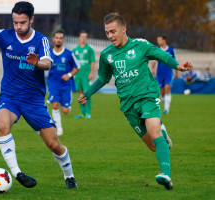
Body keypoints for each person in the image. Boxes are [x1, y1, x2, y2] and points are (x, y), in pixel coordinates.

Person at [0, 1, 77, 189]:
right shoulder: (4, 36)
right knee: (1, 124)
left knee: (53, 144)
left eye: (22, 22)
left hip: (34, 101)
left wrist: (36, 63)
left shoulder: (41, 41)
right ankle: (17, 173)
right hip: (10, 96)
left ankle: (69, 176)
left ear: (31, 20)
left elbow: (48, 64)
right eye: (15, 22)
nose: (18, 27)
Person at [78, 13, 192, 190]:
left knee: (154, 133)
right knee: (153, 145)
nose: (110, 36)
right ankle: (162, 133)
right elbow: (102, 78)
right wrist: (88, 93)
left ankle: (166, 175)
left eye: (113, 31)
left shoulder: (140, 45)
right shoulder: (107, 54)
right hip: (128, 105)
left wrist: (177, 66)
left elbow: (161, 55)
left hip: (147, 95)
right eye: (107, 33)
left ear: (124, 29)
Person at [47, 29, 80, 136]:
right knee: (55, 105)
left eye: (60, 38)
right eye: (56, 38)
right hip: (53, 83)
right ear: (53, 39)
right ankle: (59, 128)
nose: (58, 40)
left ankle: (66, 104)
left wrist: (69, 75)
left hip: (66, 85)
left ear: (63, 40)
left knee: (65, 111)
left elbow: (77, 67)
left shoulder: (69, 54)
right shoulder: (48, 54)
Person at [151, 35, 177, 114]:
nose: (157, 41)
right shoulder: (157, 50)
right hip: (160, 73)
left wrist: (176, 72)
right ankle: (165, 103)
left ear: (164, 40)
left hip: (168, 72)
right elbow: (154, 61)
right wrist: (152, 69)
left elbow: (174, 61)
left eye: (159, 40)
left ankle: (166, 108)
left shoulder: (171, 50)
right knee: (161, 92)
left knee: (167, 88)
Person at [73, 31, 96, 119]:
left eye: (85, 37)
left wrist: (91, 72)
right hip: (78, 75)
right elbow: (73, 63)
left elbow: (92, 61)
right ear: (79, 38)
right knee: (80, 93)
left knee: (87, 93)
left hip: (86, 75)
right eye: (82, 36)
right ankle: (82, 113)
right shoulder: (75, 50)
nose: (83, 38)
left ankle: (88, 113)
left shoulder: (89, 49)